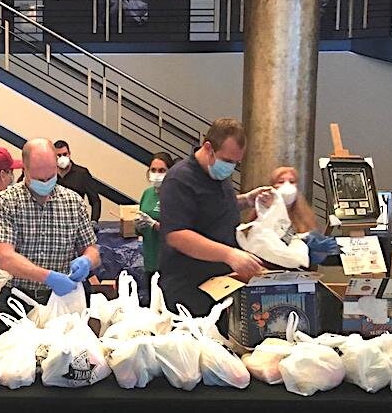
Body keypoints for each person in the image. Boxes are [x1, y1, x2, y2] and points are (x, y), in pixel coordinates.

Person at [158, 118, 273, 317]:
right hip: (188, 287)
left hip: (217, 283)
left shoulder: (217, 175)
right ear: (208, 148)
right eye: (227, 161)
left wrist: (247, 200)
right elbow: (177, 235)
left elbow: (213, 208)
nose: (230, 167)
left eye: (236, 163)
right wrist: (229, 255)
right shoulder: (179, 179)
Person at [0, 138, 101, 313]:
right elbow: (6, 258)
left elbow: (92, 249)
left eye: (50, 177)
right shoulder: (6, 202)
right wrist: (47, 277)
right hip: (19, 299)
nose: (45, 183)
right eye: (38, 179)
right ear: (24, 169)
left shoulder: (73, 202)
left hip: (62, 299)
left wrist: (87, 260)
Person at [134, 151, 174, 294]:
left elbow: (178, 231)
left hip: (169, 264)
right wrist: (138, 226)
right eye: (153, 170)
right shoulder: (147, 193)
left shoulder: (174, 195)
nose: (156, 174)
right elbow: (141, 225)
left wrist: (154, 225)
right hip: (150, 261)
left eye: (162, 170)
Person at [54, 140, 102, 229]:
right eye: (58, 155)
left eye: (65, 154)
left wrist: (94, 221)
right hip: (55, 223)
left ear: (69, 154)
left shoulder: (82, 173)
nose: (62, 157)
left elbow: (95, 200)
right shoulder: (48, 174)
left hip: (77, 222)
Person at [267, 166, 317, 233]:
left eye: (292, 182)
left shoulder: (304, 215)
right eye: (281, 182)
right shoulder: (263, 210)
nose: (287, 185)